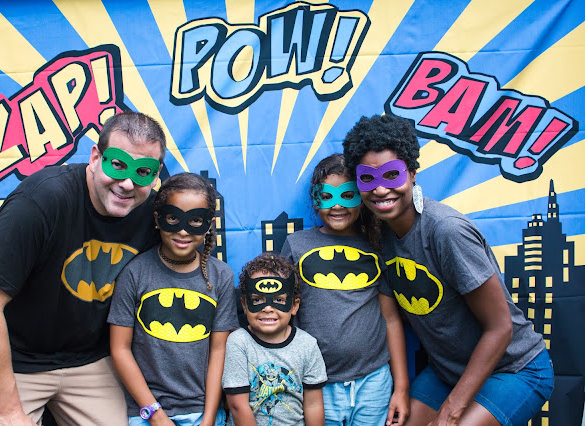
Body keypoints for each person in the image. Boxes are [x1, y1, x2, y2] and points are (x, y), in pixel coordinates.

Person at [342, 114, 554, 426]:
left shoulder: (446, 231)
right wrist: (401, 390)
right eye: (367, 180)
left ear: (412, 173)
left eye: (391, 175)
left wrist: (451, 410)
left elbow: (500, 328)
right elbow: (391, 319)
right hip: (449, 370)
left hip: (515, 368)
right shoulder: (380, 234)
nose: (380, 190)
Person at [0, 111, 166, 425]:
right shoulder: (42, 200)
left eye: (143, 171)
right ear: (96, 156)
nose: (127, 183)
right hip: (14, 360)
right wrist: (8, 412)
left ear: (155, 175)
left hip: (90, 359)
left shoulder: (153, 212)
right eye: (118, 165)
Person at [281, 153, 409, 426]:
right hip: (316, 383)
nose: (337, 206)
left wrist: (401, 387)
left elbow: (391, 318)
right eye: (327, 197)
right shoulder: (296, 245)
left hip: (373, 382)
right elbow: (284, 316)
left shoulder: (376, 245)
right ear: (315, 199)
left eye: (347, 195)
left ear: (362, 197)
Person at [108, 172, 238, 426]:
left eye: (195, 221)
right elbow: (119, 349)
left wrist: (209, 418)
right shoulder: (135, 273)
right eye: (173, 218)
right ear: (158, 219)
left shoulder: (220, 275)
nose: (182, 231)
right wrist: (155, 415)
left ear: (209, 224)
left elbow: (219, 349)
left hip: (202, 411)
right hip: (146, 412)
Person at [222, 253, 327, 426]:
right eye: (257, 300)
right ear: (244, 305)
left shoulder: (307, 345)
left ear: (294, 305)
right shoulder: (238, 343)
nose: (268, 308)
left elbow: (314, 404)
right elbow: (237, 405)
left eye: (278, 300)